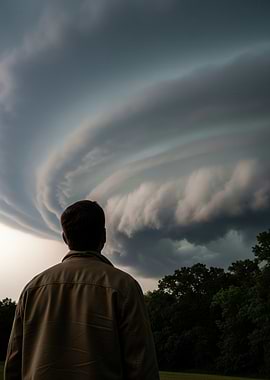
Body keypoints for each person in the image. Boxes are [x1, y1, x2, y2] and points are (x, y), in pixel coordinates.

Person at [4, 200, 160, 380]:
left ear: (65, 237)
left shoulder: (32, 288)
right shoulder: (124, 287)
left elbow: (14, 362)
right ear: (103, 236)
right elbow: (141, 365)